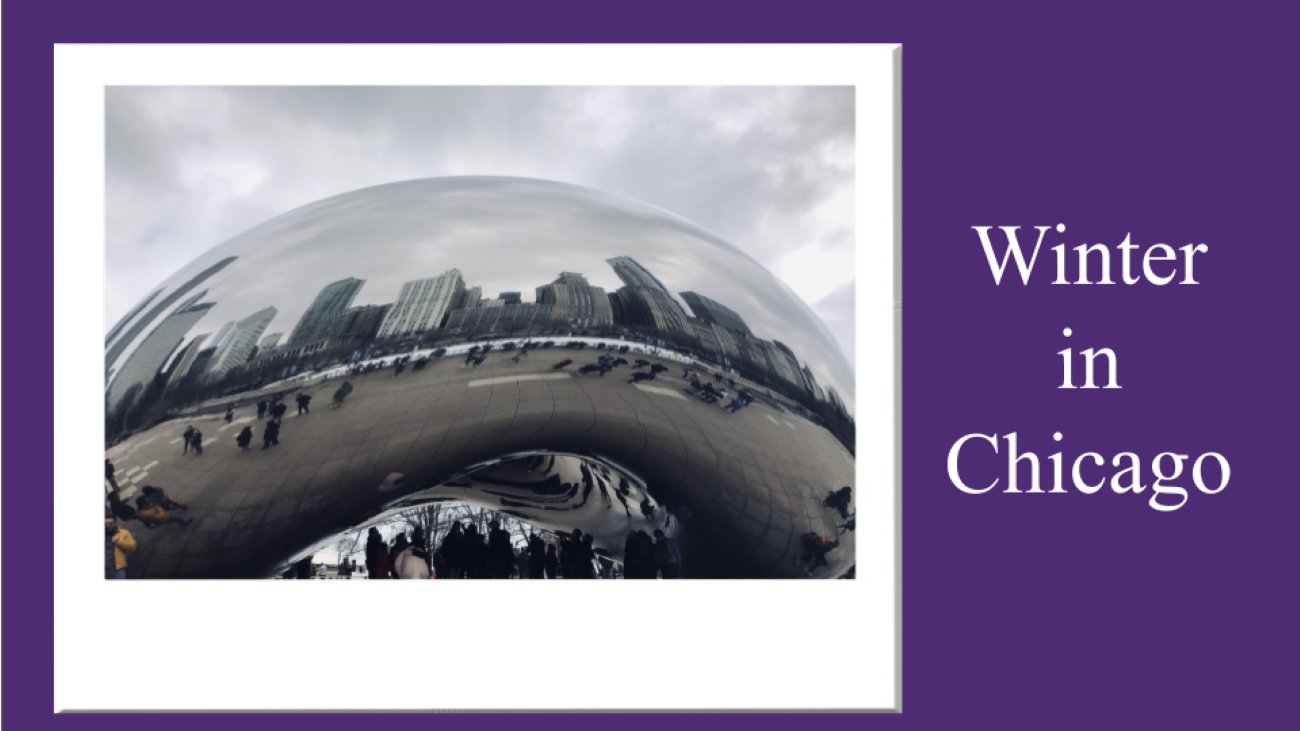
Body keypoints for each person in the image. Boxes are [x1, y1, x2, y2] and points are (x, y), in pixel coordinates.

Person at [105, 513, 137, 579]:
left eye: (111, 523)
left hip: (118, 571)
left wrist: (119, 541)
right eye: (105, 524)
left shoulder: (124, 533)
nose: (108, 525)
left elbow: (133, 547)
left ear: (115, 523)